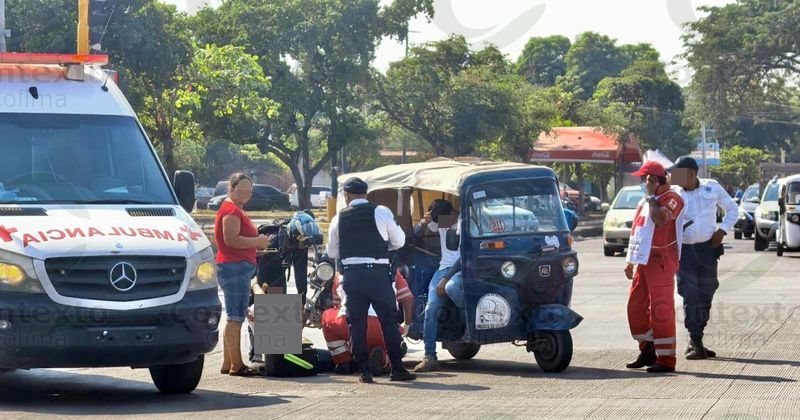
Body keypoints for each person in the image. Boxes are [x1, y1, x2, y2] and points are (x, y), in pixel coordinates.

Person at [326, 177, 416, 383]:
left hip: (352, 275)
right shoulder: (381, 211)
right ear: (366, 194)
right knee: (389, 322)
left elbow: (332, 252)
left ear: (346, 196)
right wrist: (383, 248)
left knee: (356, 323)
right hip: (378, 274)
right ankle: (397, 369)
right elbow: (399, 241)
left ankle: (364, 371)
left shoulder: (338, 218)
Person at [671, 157, 738, 360]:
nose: (674, 177)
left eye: (679, 172)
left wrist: (723, 231)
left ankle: (697, 339)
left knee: (706, 294)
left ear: (691, 173)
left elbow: (733, 209)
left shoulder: (712, 187)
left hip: (708, 251)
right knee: (690, 294)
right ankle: (695, 339)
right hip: (684, 253)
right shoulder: (673, 193)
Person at [624, 161, 684, 373]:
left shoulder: (673, 199)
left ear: (656, 180)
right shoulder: (646, 200)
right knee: (635, 307)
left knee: (661, 310)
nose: (643, 183)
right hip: (643, 259)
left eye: (646, 179)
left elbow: (659, 220)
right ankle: (648, 348)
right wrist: (630, 261)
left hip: (661, 260)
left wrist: (651, 197)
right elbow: (637, 231)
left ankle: (667, 359)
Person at [214, 173, 269, 377]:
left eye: (250, 189)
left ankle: (228, 362)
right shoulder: (231, 210)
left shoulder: (235, 209)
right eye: (242, 188)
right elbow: (232, 240)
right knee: (235, 317)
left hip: (236, 265)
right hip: (234, 267)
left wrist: (256, 247)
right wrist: (258, 242)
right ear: (232, 188)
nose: (247, 192)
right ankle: (237, 365)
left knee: (234, 317)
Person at [322, 270, 414, 376]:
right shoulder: (390, 270)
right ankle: (384, 360)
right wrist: (406, 325)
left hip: (351, 326)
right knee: (391, 342)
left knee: (328, 316)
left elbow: (337, 306)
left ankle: (343, 361)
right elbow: (408, 298)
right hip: (382, 328)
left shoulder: (343, 272)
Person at [414, 199, 465, 373]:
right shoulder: (444, 220)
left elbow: (464, 256)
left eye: (441, 219)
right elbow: (416, 232)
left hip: (461, 270)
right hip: (443, 269)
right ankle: (430, 356)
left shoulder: (462, 223)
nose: (440, 223)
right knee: (431, 308)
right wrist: (423, 221)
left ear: (451, 214)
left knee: (452, 288)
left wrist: (446, 278)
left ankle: (467, 329)